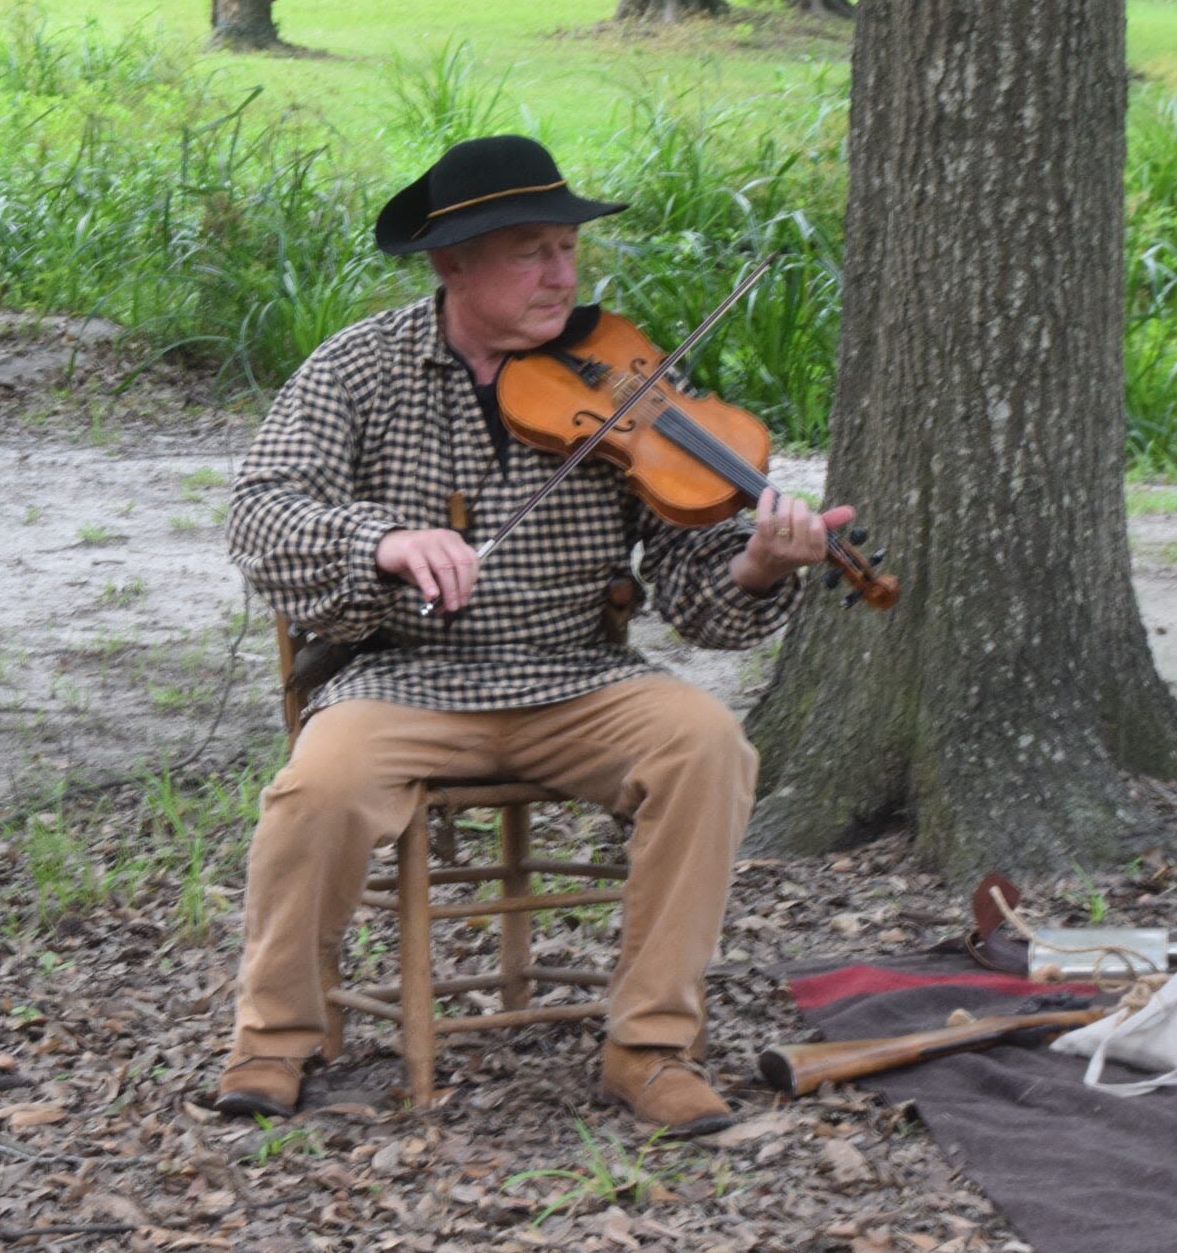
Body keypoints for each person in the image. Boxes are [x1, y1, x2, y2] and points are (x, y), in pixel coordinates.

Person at [216, 132, 851, 1137]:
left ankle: (649, 1049)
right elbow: (260, 513)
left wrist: (759, 562)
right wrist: (382, 539)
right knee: (318, 784)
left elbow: (696, 588)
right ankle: (277, 1038)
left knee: (706, 742)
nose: (561, 275)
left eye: (566, 247)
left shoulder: (622, 379)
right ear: (450, 262)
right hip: (405, 680)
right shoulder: (360, 367)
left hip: (577, 678)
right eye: (529, 253)